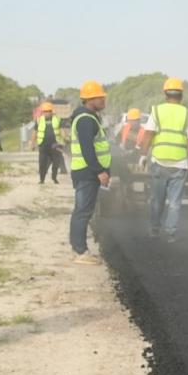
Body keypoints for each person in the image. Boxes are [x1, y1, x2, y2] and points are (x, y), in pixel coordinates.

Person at [138, 78, 188, 244]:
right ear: (181, 95)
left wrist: (143, 155)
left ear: (165, 93)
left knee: (157, 200)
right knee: (174, 203)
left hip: (159, 162)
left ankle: (154, 230)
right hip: (180, 165)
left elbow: (148, 135)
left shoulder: (157, 111)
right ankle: (171, 234)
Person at [68, 81, 111, 265]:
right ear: (89, 99)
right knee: (82, 211)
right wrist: (100, 171)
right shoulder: (86, 119)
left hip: (86, 172)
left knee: (83, 210)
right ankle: (80, 252)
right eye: (100, 97)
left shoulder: (89, 117)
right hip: (87, 173)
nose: (103, 99)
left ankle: (78, 248)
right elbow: (87, 149)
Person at [31, 102, 65, 184]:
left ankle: (54, 177)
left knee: (56, 162)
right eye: (45, 111)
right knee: (42, 163)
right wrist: (32, 143)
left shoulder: (57, 119)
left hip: (55, 145)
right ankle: (42, 179)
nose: (47, 113)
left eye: (49, 111)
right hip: (43, 145)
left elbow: (61, 130)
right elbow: (35, 132)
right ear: (43, 112)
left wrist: (64, 139)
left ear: (52, 111)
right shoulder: (39, 120)